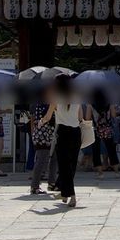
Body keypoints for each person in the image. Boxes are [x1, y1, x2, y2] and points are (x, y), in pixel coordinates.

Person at [40, 74, 88, 208]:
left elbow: (48, 116)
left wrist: (41, 122)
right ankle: (65, 193)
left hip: (63, 133)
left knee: (64, 165)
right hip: (76, 133)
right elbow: (80, 116)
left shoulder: (56, 97)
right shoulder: (77, 96)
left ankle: (71, 196)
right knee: (71, 165)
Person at [28, 86, 55, 195]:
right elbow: (34, 119)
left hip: (47, 134)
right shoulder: (41, 104)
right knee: (41, 159)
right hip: (42, 135)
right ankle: (34, 186)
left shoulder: (41, 103)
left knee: (50, 158)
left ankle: (51, 182)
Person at [90, 90, 120, 177]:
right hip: (107, 129)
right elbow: (113, 116)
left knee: (96, 150)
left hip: (95, 129)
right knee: (111, 150)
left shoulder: (90, 105)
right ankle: (117, 172)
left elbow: (87, 118)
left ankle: (100, 173)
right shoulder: (110, 104)